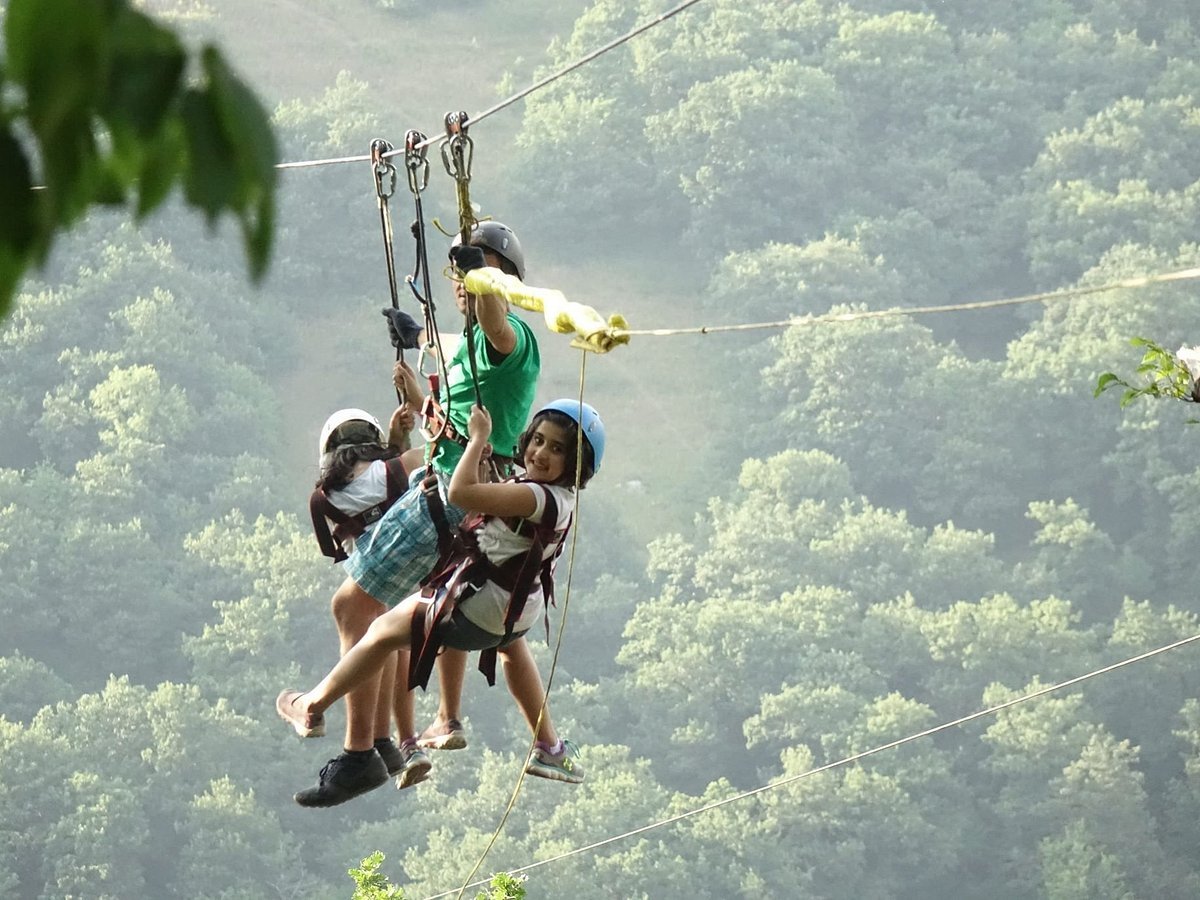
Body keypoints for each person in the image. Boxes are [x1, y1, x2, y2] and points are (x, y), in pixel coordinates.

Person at [286, 222, 543, 808]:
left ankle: (361, 753)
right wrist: (415, 402)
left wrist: (481, 272)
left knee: (355, 604)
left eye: (471, 278)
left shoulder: (511, 341)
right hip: (450, 487)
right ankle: (375, 746)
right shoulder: (474, 350)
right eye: (459, 277)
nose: (461, 286)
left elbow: (497, 320)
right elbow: (459, 424)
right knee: (371, 614)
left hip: (452, 497)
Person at [277, 399, 605, 801]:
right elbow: (492, 503)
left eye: (556, 449)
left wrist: (478, 438)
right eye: (537, 440)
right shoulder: (551, 497)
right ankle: (548, 746)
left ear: (576, 465)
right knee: (510, 648)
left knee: (380, 632)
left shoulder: (535, 497)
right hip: (515, 612)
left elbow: (462, 493)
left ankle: (313, 705)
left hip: (481, 609)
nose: (540, 452)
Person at [306, 400, 434, 791]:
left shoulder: (323, 500)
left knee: (368, 623)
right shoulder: (403, 465)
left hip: (379, 575)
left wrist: (393, 446)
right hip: (423, 570)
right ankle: (387, 741)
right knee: (387, 634)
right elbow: (439, 456)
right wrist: (401, 442)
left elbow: (362, 503)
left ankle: (378, 743)